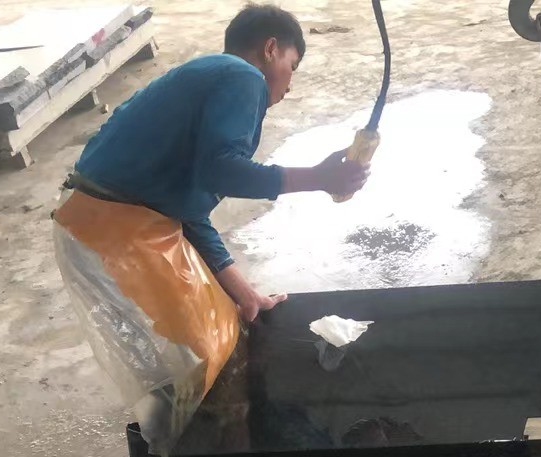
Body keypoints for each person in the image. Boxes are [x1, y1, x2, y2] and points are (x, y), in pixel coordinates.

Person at [66, 3, 366, 323]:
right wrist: (318, 178)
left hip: (91, 222)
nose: (290, 85)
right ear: (270, 49)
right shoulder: (244, 76)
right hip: (115, 229)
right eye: (292, 65)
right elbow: (221, 171)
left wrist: (246, 294)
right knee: (192, 340)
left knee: (206, 329)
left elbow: (189, 211)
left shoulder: (207, 76)